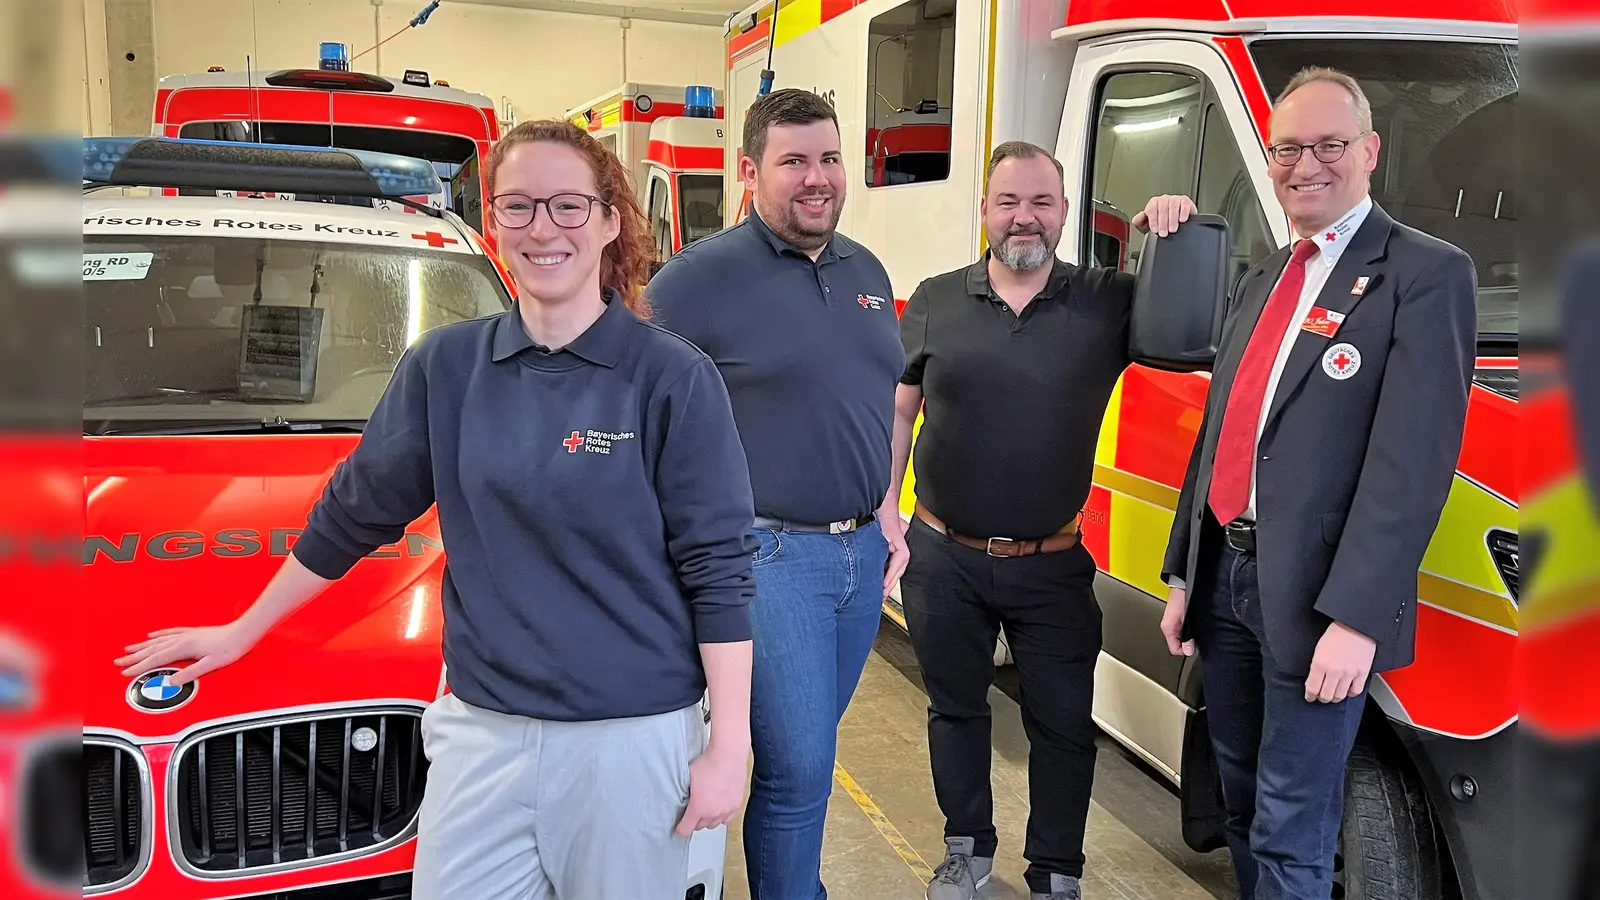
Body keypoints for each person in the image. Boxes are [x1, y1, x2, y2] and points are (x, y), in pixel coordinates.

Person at [114, 119, 758, 900]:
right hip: (483, 734)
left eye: (567, 206)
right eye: (518, 207)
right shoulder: (447, 368)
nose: (542, 229)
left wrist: (730, 746)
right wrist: (243, 628)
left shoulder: (670, 380)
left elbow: (719, 570)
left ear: (610, 220)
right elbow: (352, 515)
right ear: (493, 222)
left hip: (626, 741)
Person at [1145, 67, 1477, 900]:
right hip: (1227, 582)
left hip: (1318, 597)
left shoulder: (1423, 273)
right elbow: (1223, 431)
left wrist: (1358, 620)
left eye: (1330, 145)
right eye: (1287, 148)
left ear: (1370, 151)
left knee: (1297, 823)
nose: (1307, 165)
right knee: (1245, 801)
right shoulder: (1265, 275)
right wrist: (1187, 572)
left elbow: (1412, 464)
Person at [644, 87, 909, 899]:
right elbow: (639, 406)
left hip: (861, 557)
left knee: (807, 760)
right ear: (751, 170)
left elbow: (875, 398)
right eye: (794, 160)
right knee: (798, 769)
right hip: (769, 556)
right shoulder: (699, 280)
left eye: (829, 158)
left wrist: (888, 511)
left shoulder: (867, 271)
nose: (817, 177)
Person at [889, 140, 1136, 900]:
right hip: (944, 554)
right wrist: (881, 517)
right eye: (1008, 201)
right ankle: (966, 852)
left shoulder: (1109, 301)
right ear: (986, 211)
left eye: (1040, 202)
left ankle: (1056, 871)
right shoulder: (936, 298)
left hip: (1053, 563)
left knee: (1062, 725)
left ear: (1066, 213)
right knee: (955, 709)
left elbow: (1197, 315)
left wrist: (1174, 228)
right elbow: (901, 410)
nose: (1023, 217)